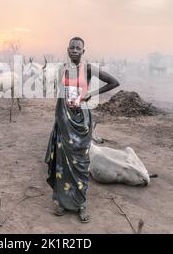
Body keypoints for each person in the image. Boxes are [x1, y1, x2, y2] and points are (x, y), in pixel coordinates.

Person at [45, 36, 120, 223]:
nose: (75, 50)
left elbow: (114, 82)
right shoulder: (63, 69)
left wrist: (90, 95)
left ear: (83, 51)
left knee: (81, 163)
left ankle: (80, 204)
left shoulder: (88, 68)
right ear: (68, 49)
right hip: (63, 120)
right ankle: (63, 202)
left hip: (80, 122)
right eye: (72, 47)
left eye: (79, 48)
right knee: (63, 161)